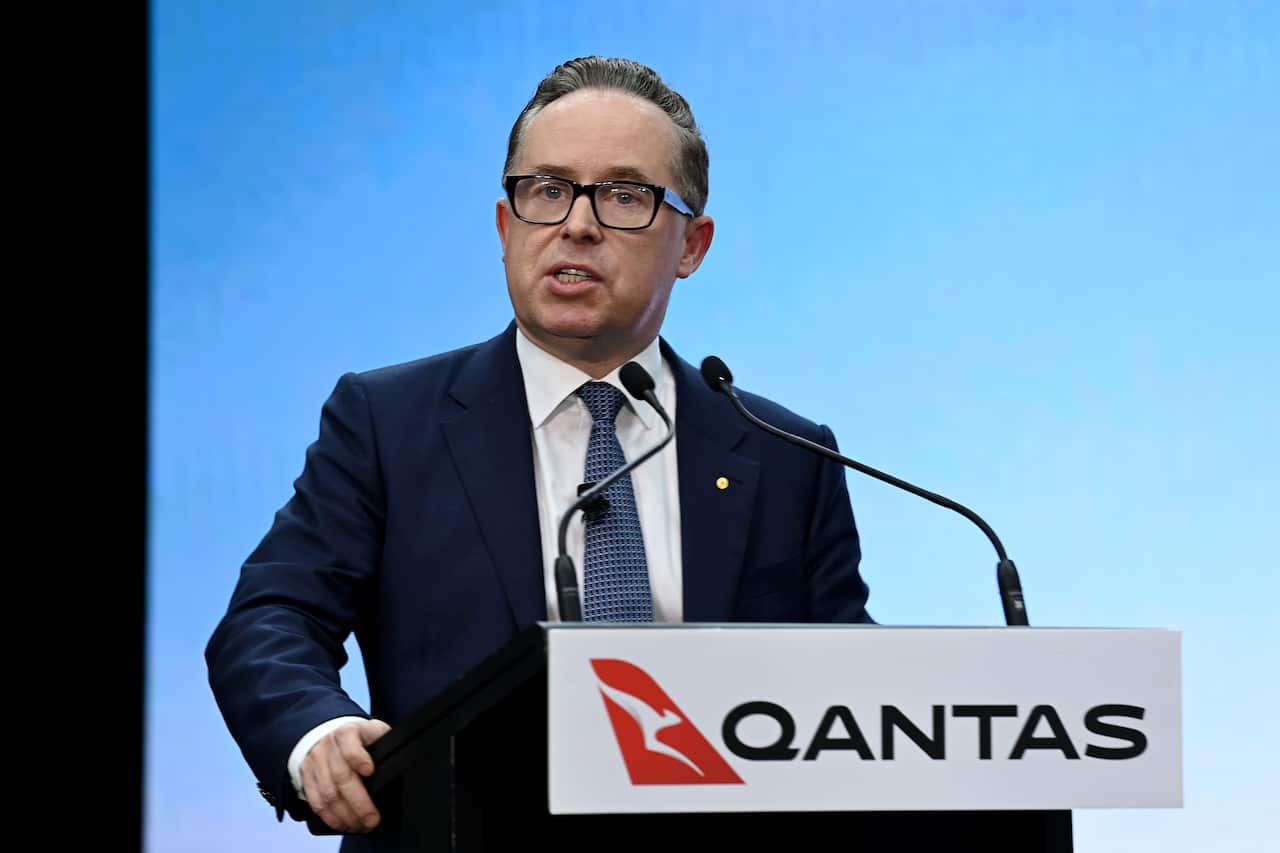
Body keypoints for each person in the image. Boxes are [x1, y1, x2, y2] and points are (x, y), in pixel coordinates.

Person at [205, 55, 873, 849]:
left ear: (692, 244)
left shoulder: (786, 454)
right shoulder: (388, 421)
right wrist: (316, 731)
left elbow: (850, 699)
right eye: (547, 190)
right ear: (504, 226)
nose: (578, 223)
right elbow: (271, 617)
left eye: (625, 195)